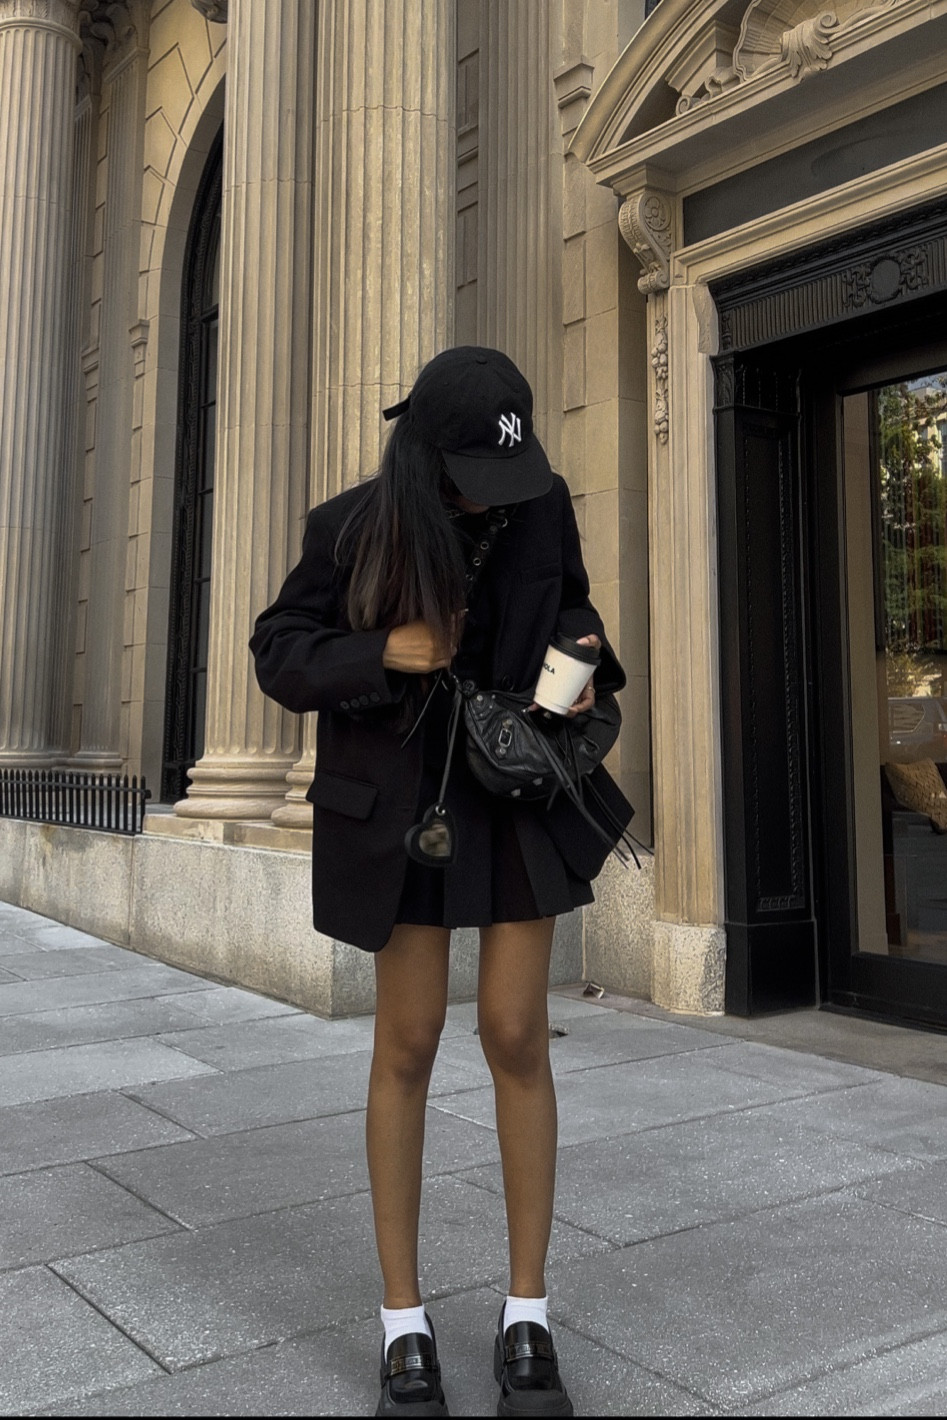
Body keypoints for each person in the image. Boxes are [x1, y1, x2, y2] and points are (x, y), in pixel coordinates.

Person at [250, 346, 631, 1418]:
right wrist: (385, 653)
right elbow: (278, 650)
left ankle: (526, 1315)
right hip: (405, 812)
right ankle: (402, 1323)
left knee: (514, 1032)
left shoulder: (540, 505)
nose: (493, 495)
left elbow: (577, 609)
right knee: (406, 1044)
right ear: (422, 452)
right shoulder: (351, 526)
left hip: (513, 798)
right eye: (472, 472)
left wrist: (578, 655)